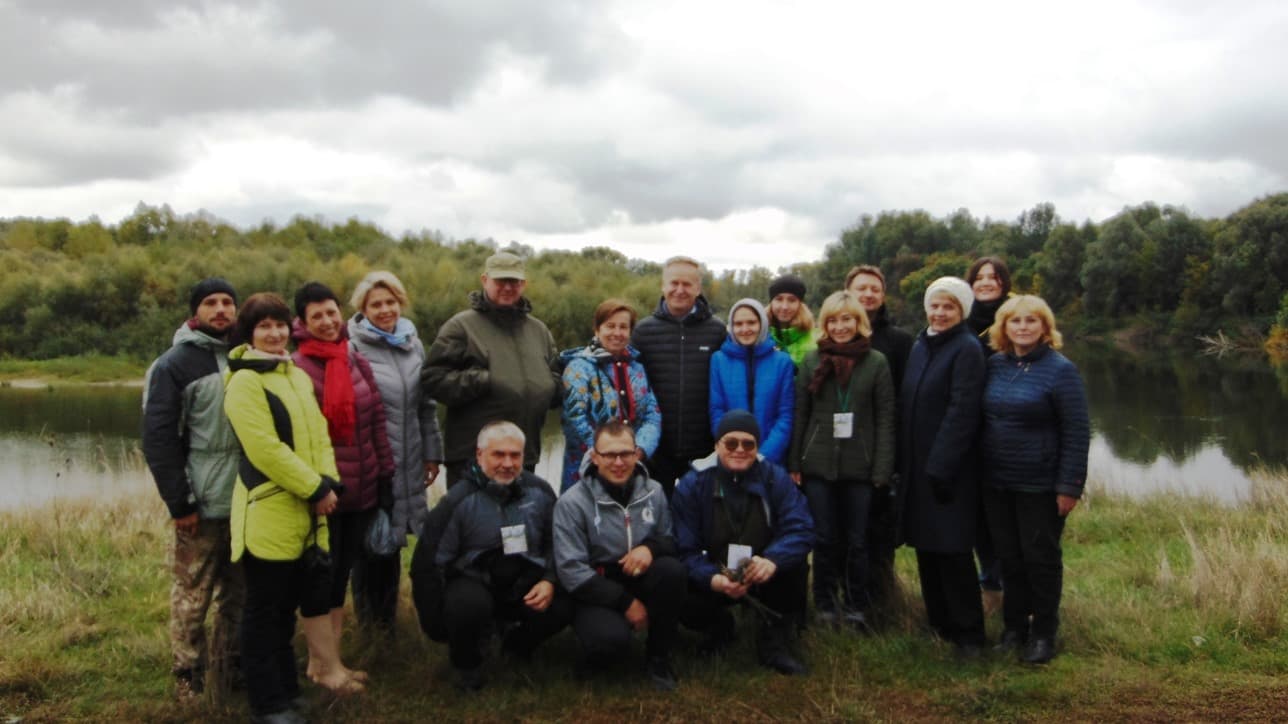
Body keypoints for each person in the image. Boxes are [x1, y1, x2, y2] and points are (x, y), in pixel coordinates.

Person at [223, 293, 364, 724]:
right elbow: (265, 450)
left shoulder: (294, 375)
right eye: (264, 326)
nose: (274, 333)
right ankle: (267, 704)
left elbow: (319, 436)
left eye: (280, 325)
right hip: (268, 513)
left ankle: (287, 691)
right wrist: (314, 487)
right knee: (264, 611)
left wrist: (329, 481)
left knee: (286, 610)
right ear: (248, 333)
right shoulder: (245, 382)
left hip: (304, 513)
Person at [408, 422, 572, 691]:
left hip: (523, 581)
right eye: (499, 455)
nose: (507, 463)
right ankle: (468, 664)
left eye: (515, 455)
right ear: (479, 454)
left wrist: (550, 580)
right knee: (468, 606)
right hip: (475, 582)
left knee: (565, 600)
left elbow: (557, 543)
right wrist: (435, 623)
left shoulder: (541, 492)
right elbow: (427, 564)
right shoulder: (457, 501)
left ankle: (516, 646)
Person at [142, 277, 245, 701]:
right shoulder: (173, 365)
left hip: (245, 500)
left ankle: (230, 668)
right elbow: (159, 440)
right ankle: (188, 674)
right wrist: (179, 502)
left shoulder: (246, 354)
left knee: (240, 593)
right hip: (200, 501)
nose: (220, 309)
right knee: (192, 595)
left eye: (227, 302)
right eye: (210, 303)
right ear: (195, 311)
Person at [980, 295, 1090, 664]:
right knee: (1009, 559)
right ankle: (1014, 629)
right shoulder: (995, 365)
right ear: (1003, 327)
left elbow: (1077, 432)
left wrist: (1069, 486)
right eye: (1015, 321)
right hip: (997, 482)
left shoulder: (1061, 370)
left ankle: (1044, 633)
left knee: (1040, 560)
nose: (1023, 327)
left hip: (1039, 485)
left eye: (1031, 321)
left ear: (1045, 327)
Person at [291, 282, 396, 646]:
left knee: (341, 575)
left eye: (331, 312)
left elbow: (376, 421)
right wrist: (316, 487)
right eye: (316, 316)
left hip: (362, 491)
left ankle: (333, 656)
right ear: (302, 322)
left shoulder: (354, 359)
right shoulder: (297, 368)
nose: (326, 321)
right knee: (322, 575)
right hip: (326, 494)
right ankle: (321, 661)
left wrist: (385, 475)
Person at [672, 410, 814, 675]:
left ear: (757, 447)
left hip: (761, 569)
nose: (739, 450)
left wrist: (772, 560)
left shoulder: (776, 478)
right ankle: (719, 629)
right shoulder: (692, 484)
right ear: (717, 445)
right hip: (714, 572)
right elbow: (684, 548)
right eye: (731, 443)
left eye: (748, 444)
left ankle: (774, 643)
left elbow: (801, 528)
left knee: (794, 565)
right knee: (676, 578)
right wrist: (713, 578)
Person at [788, 291, 895, 628]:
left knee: (857, 540)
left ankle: (855, 605)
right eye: (833, 320)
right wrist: (795, 463)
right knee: (824, 538)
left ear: (858, 321)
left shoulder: (876, 362)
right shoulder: (812, 361)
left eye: (846, 319)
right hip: (817, 465)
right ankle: (824, 603)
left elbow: (885, 419)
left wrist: (881, 468)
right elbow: (801, 413)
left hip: (860, 467)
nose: (840, 327)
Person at [552, 421, 685, 690]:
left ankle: (658, 658)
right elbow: (571, 570)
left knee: (672, 571)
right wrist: (626, 603)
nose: (618, 462)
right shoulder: (571, 502)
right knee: (609, 642)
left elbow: (670, 540)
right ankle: (595, 656)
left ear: (637, 454)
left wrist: (650, 548)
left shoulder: (655, 491)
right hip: (596, 587)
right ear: (594, 457)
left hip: (640, 576)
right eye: (609, 455)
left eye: (625, 454)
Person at [347, 270, 444, 627]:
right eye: (376, 304)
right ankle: (367, 626)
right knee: (369, 543)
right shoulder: (352, 347)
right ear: (363, 309)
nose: (385, 310)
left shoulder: (412, 344)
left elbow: (426, 406)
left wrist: (432, 453)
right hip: (371, 463)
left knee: (394, 538)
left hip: (410, 459)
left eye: (391, 302)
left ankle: (387, 623)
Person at [898, 277, 987, 657]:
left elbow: (962, 410)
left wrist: (941, 465)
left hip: (949, 472)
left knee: (952, 550)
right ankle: (939, 624)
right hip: (917, 468)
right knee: (927, 547)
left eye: (948, 307)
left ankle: (969, 634)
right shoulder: (922, 344)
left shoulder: (967, 348)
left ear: (962, 311)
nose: (939, 313)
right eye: (934, 306)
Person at [423, 252, 561, 485]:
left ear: (523, 284)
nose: (507, 287)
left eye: (513, 281)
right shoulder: (461, 326)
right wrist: (483, 380)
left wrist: (550, 388)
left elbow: (554, 375)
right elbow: (432, 379)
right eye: (501, 280)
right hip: (473, 458)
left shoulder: (539, 330)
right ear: (485, 280)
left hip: (523, 455)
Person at [845, 264, 914, 621]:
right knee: (844, 532)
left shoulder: (899, 341)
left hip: (883, 450)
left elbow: (905, 400)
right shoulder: (836, 335)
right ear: (849, 292)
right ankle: (845, 600)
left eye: (875, 289)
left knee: (880, 533)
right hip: (844, 453)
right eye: (862, 288)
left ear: (883, 295)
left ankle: (882, 602)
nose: (868, 294)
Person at [631, 256, 727, 496]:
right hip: (657, 449)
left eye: (687, 284)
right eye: (674, 283)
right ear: (663, 286)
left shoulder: (717, 331)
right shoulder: (643, 332)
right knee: (655, 512)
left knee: (700, 513)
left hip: (703, 448)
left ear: (698, 288)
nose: (680, 290)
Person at [559, 299, 662, 492]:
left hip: (631, 465)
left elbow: (652, 415)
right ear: (597, 329)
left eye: (623, 327)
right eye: (610, 326)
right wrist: (608, 455)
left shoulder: (637, 368)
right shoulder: (578, 368)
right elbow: (574, 420)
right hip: (588, 467)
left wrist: (638, 450)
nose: (617, 332)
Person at [966, 256, 1012, 593]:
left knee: (1006, 516)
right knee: (978, 513)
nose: (985, 282)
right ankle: (990, 583)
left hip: (1007, 430)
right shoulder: (962, 319)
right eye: (979, 277)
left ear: (1003, 283)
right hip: (972, 429)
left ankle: (1015, 585)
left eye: (992, 277)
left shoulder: (1015, 318)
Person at [709, 298, 796, 466]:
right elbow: (717, 410)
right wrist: (732, 448)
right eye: (738, 324)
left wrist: (764, 456)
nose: (745, 329)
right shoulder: (718, 360)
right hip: (732, 456)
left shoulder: (782, 362)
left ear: (762, 324)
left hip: (771, 460)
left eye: (751, 322)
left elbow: (785, 415)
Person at [766, 274, 816, 366]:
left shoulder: (815, 341)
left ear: (800, 304)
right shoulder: (759, 338)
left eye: (792, 300)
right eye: (779, 299)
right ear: (771, 303)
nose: (785, 307)